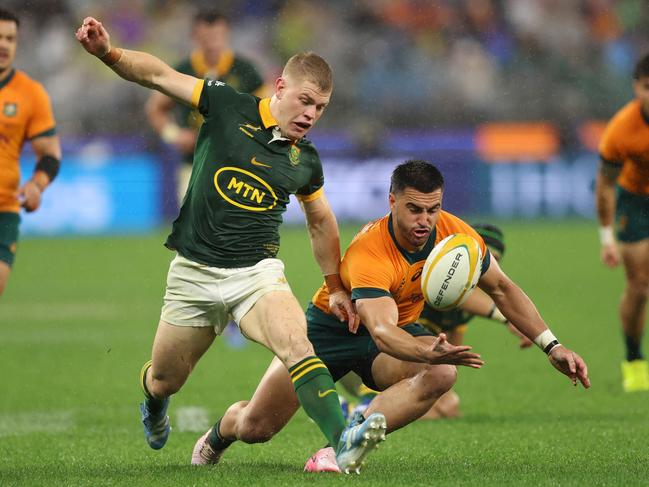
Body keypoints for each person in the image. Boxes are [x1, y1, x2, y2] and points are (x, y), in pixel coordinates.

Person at [76, 17, 381, 473]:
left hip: (255, 276)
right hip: (193, 272)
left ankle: (342, 440)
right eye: (305, 101)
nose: (311, 115)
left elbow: (320, 220)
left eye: (320, 108)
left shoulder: (305, 161)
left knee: (298, 345)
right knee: (164, 379)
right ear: (280, 86)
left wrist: (335, 284)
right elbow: (158, 76)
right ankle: (154, 404)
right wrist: (108, 53)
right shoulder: (226, 104)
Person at [192, 160, 590, 474]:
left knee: (442, 374)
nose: (425, 221)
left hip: (388, 333)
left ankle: (341, 446)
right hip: (329, 332)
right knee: (255, 428)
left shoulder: (458, 237)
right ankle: (219, 434)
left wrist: (551, 345)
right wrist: (426, 351)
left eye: (433, 210)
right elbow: (380, 331)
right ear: (392, 202)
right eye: (414, 209)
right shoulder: (372, 251)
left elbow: (502, 288)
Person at [342, 223, 533, 420]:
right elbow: (471, 300)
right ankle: (360, 410)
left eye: (494, 261)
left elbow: (453, 355)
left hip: (395, 365)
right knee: (423, 400)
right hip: (363, 359)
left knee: (448, 405)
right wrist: (508, 318)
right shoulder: (436, 279)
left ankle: (358, 412)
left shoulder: (462, 296)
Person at [146, 8, 268, 205]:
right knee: (195, 227)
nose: (212, 43)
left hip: (237, 164)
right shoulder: (183, 70)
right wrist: (174, 134)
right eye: (206, 37)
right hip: (194, 163)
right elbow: (155, 108)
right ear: (194, 36)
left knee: (234, 227)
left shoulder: (246, 70)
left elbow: (268, 112)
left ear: (227, 33)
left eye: (217, 36)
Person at [596, 53, 649, 393]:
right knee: (640, 284)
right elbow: (604, 187)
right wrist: (606, 237)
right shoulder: (621, 130)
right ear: (636, 88)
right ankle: (634, 360)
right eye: (648, 87)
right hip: (636, 200)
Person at [0, 8, 61, 298]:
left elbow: (49, 153)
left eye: (10, 38)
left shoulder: (30, 93)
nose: (4, 45)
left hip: (4, 209)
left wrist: (37, 184)